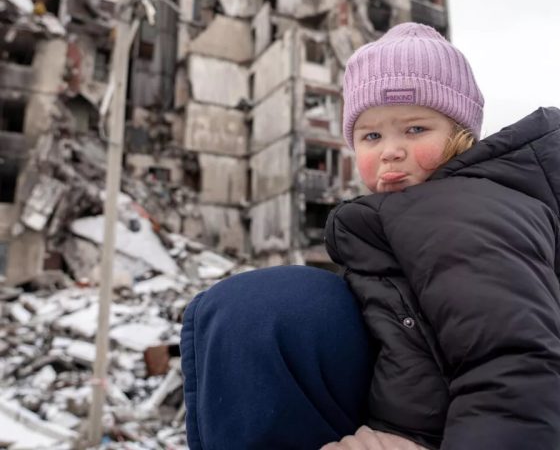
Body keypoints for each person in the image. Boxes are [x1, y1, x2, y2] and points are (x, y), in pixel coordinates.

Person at [180, 23, 560, 450]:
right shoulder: (408, 217)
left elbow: (512, 360)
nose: (389, 150)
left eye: (415, 130)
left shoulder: (467, 212)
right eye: (371, 136)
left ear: (462, 136)